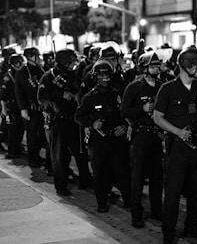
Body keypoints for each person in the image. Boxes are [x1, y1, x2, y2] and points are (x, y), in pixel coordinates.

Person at [154, 46, 197, 244]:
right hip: (178, 149)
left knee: (196, 191)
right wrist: (177, 131)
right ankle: (169, 233)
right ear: (187, 66)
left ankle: (192, 227)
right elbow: (157, 117)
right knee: (173, 192)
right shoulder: (167, 89)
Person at [75, 60, 131, 212]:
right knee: (100, 173)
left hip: (117, 139)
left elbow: (126, 115)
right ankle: (102, 203)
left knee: (122, 171)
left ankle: (128, 200)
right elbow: (79, 117)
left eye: (107, 75)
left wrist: (124, 126)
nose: (105, 78)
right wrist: (92, 124)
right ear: (95, 77)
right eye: (101, 75)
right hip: (99, 140)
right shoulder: (89, 97)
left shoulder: (118, 94)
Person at [38, 49, 92, 196]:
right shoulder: (49, 76)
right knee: (60, 156)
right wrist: (61, 95)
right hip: (58, 121)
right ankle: (61, 186)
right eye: (71, 61)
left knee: (80, 152)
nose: (74, 64)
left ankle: (85, 180)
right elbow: (42, 97)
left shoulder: (73, 75)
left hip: (74, 119)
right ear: (64, 62)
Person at [121, 51, 164, 228]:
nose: (156, 68)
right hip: (141, 135)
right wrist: (142, 108)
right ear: (144, 68)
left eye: (157, 65)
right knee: (137, 176)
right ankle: (136, 213)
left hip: (157, 135)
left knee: (157, 176)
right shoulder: (134, 87)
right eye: (152, 66)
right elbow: (124, 112)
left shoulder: (162, 86)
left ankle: (156, 210)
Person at [15, 47, 45, 168]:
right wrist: (23, 108)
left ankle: (37, 156)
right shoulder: (22, 71)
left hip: (41, 107)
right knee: (32, 135)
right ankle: (33, 159)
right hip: (30, 107)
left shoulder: (40, 69)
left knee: (41, 134)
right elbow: (19, 92)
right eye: (36, 56)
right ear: (30, 57)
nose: (39, 58)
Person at [0, 54, 25, 159]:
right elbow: (3, 95)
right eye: (20, 62)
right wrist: (4, 109)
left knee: (20, 129)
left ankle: (17, 148)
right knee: (13, 129)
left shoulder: (20, 74)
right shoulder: (8, 76)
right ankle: (12, 151)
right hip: (12, 106)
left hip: (19, 105)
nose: (22, 64)